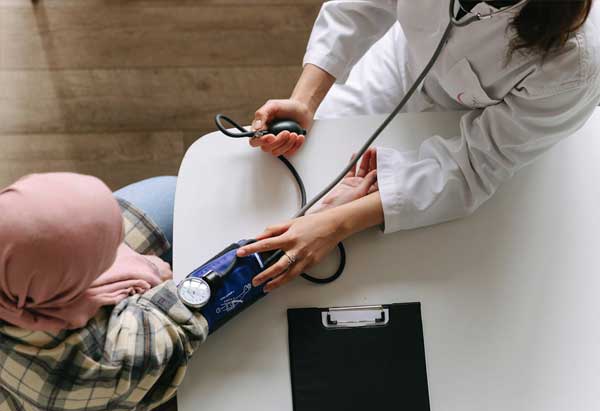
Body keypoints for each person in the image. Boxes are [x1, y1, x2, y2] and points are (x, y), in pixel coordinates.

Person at [238, 0, 600, 291]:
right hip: (398, 66)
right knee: (300, 177)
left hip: (483, 126)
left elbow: (474, 166)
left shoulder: (576, 61)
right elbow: (359, 7)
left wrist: (337, 224)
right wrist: (306, 101)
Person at [0, 173, 207, 411]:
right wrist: (162, 281)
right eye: (108, 255)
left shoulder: (17, 273)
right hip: (73, 410)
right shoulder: (93, 362)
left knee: (171, 192)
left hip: (23, 386)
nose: (119, 253)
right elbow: (175, 331)